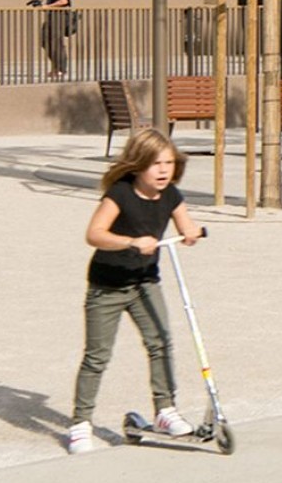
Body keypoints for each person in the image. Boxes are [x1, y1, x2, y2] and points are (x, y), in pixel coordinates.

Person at [66, 128, 204, 454]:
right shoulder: (120, 194)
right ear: (139, 165)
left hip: (145, 281)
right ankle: (80, 423)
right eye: (156, 164)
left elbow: (186, 225)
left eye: (169, 163)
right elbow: (94, 234)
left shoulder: (170, 194)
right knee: (97, 356)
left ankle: (165, 410)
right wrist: (130, 241)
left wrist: (191, 233)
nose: (163, 171)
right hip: (107, 286)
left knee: (160, 341)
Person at [31, 0, 73, 78]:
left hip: (58, 16)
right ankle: (56, 67)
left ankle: (61, 69)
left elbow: (64, 0)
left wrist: (47, 6)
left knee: (56, 42)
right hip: (52, 16)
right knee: (45, 40)